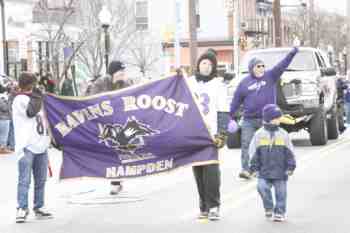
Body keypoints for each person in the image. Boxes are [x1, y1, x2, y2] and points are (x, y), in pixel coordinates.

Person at [229, 47, 299, 179]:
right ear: (251, 68)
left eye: (262, 66)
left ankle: (269, 168)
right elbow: (236, 100)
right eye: (257, 66)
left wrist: (293, 52)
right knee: (247, 143)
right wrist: (230, 116)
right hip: (249, 120)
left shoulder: (271, 76)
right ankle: (246, 170)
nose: (261, 68)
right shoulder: (244, 83)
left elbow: (283, 64)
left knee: (268, 145)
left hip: (267, 119)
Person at [187, 49, 226, 221]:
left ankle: (214, 206)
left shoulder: (218, 84)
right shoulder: (188, 82)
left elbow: (223, 110)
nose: (207, 66)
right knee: (199, 171)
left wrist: (222, 133)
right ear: (198, 65)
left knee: (211, 170)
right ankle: (203, 206)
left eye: (210, 64)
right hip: (194, 133)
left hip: (211, 133)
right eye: (204, 63)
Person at [13, 72, 53, 223]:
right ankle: (22, 208)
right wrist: (37, 95)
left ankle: (39, 206)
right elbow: (31, 112)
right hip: (27, 146)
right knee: (24, 180)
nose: (35, 87)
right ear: (28, 84)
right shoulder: (19, 99)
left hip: (41, 144)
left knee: (41, 180)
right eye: (33, 84)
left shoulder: (37, 99)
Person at [89, 60, 133, 195]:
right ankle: (114, 180)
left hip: (120, 122)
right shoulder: (101, 83)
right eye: (120, 72)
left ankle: (116, 181)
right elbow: (92, 98)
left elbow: (134, 96)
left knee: (119, 151)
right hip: (104, 122)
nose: (122, 74)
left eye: (123, 72)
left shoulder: (126, 83)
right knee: (110, 151)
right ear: (113, 73)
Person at [249, 104, 296, 222]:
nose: (279, 119)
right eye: (277, 118)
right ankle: (268, 207)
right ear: (270, 119)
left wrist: (290, 166)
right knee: (262, 187)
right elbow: (253, 152)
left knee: (281, 193)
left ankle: (279, 212)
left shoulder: (283, 134)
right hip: (264, 171)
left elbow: (290, 151)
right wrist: (254, 168)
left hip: (280, 171)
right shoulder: (259, 134)